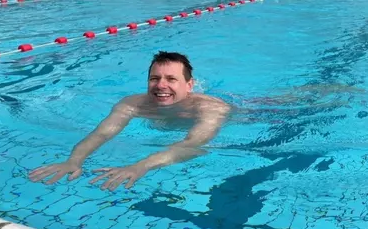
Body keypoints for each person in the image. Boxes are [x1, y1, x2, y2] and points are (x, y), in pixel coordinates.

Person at [28, 51, 231, 191]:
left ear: (189, 85)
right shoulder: (133, 104)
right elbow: (103, 133)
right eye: (154, 78)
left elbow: (192, 145)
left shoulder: (211, 108)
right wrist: (74, 160)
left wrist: (140, 166)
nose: (161, 85)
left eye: (171, 79)